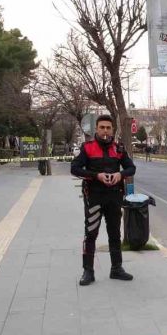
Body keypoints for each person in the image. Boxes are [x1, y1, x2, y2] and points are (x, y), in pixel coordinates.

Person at [70, 115, 136, 285]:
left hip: (114, 197)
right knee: (90, 234)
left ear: (112, 129)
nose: (105, 130)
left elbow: (131, 168)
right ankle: (88, 271)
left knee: (115, 233)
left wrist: (119, 174)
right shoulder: (87, 148)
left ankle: (117, 268)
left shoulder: (119, 149)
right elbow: (74, 168)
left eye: (108, 127)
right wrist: (96, 176)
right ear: (96, 129)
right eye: (102, 127)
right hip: (94, 197)